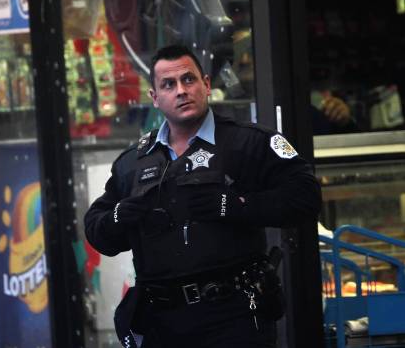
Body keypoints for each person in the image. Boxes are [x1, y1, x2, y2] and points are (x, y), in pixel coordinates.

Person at [84, 44, 322, 348]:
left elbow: (305, 197)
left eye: (189, 80)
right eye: (169, 85)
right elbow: (98, 230)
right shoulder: (134, 162)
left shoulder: (249, 143)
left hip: (233, 317)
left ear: (206, 85)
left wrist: (237, 206)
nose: (181, 91)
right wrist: (119, 217)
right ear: (155, 99)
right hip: (161, 323)